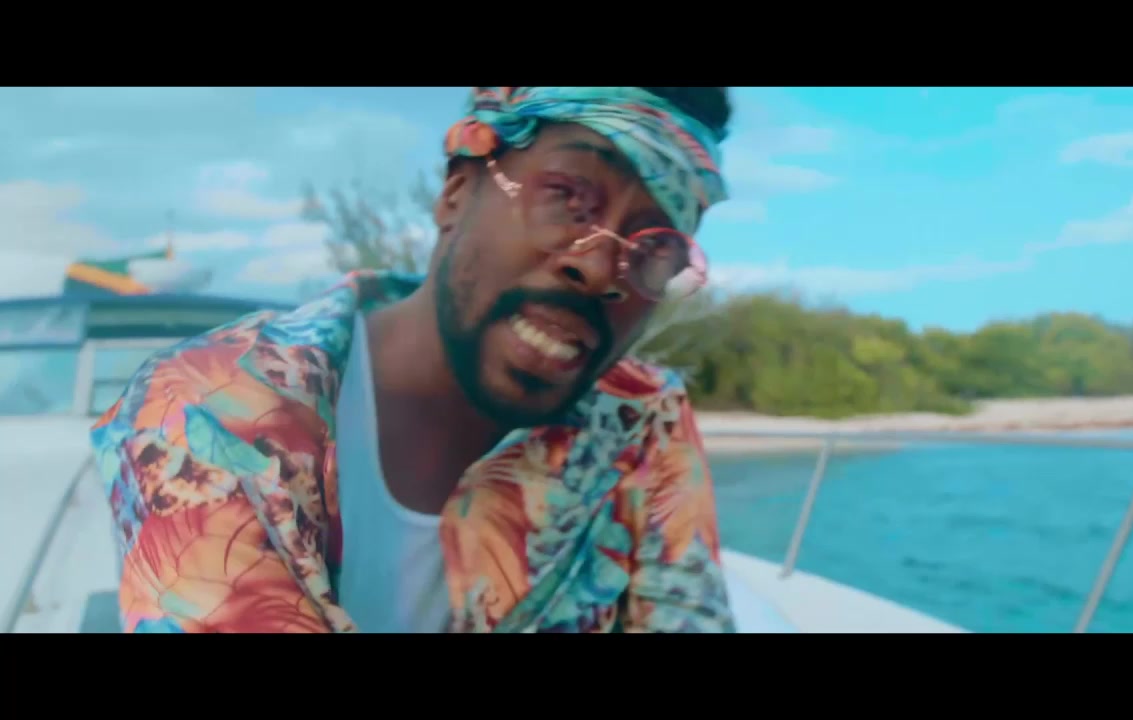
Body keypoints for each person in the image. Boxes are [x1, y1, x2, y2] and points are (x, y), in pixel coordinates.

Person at [89, 86, 738, 633]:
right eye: (567, 196)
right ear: (456, 191)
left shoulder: (639, 419)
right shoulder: (210, 405)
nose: (601, 269)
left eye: (656, 250)